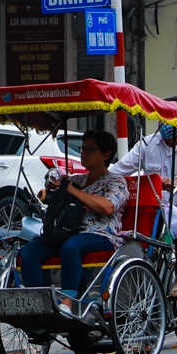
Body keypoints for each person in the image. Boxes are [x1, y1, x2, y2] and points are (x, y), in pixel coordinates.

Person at [17, 129, 128, 316]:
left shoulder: (115, 181)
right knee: (28, 252)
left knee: (71, 247)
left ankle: (68, 301)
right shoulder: (75, 180)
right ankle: (39, 304)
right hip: (65, 232)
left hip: (100, 235)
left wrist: (72, 190)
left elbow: (108, 207)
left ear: (105, 155)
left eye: (90, 150)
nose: (84, 153)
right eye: (83, 149)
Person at [110, 98, 177, 298]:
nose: (164, 123)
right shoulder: (147, 144)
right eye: (161, 118)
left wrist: (174, 181)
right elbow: (121, 168)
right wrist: (97, 177)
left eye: (168, 118)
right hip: (154, 206)